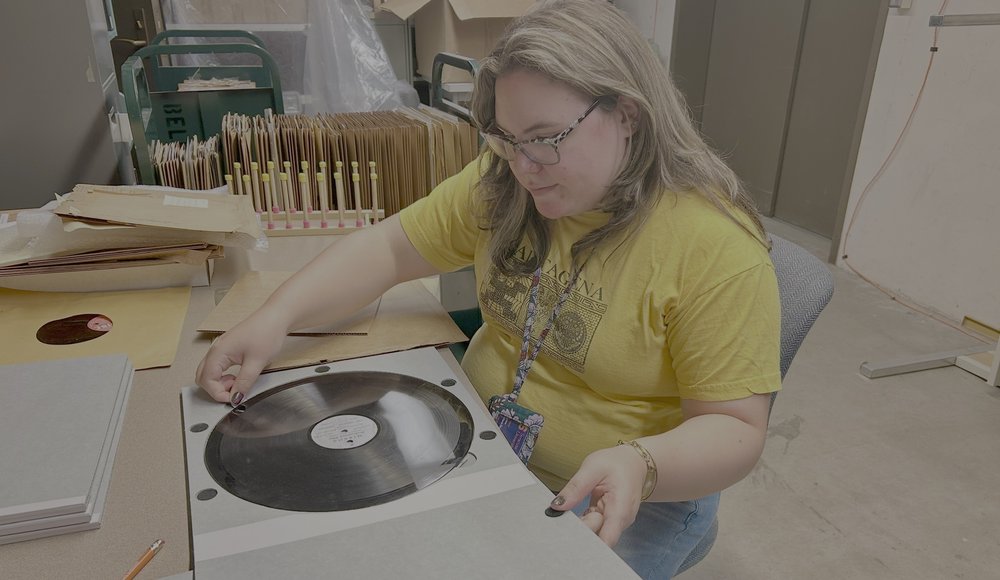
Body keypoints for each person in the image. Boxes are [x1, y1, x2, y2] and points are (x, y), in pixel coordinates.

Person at [196, 0, 780, 577]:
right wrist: (275, 318)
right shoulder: (507, 182)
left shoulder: (715, 250)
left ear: (628, 114)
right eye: (506, 137)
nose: (524, 166)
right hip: (482, 443)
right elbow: (390, 248)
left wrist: (640, 463)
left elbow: (735, 429)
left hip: (632, 495)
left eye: (547, 138)